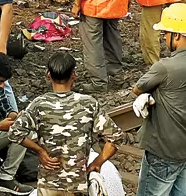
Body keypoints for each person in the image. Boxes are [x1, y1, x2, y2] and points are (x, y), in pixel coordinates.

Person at [12, 52, 121, 196]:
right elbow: (116, 137)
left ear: (48, 75)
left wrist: (40, 151)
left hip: (48, 183)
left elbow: (14, 132)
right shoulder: (88, 104)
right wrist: (97, 163)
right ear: (74, 74)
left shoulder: (39, 104)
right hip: (78, 185)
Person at [133, 4, 186, 196]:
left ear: (177, 36)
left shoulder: (165, 67)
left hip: (164, 151)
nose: (164, 38)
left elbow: (137, 88)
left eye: (166, 33)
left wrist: (149, 96)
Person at [0, 56, 29, 196]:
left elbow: (6, 109)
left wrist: (15, 116)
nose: (2, 86)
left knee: (23, 130)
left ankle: (5, 178)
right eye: (0, 81)